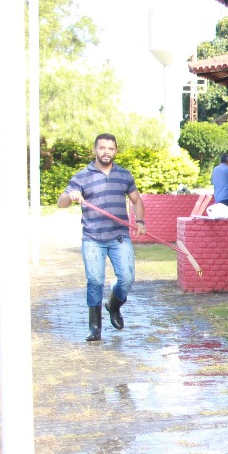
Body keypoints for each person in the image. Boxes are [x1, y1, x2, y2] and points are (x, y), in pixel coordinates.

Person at [57, 133, 146, 342]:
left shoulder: (124, 175)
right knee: (95, 281)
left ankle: (113, 306)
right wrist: (71, 196)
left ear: (116, 151)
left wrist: (140, 221)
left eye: (110, 148)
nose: (106, 151)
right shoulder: (82, 177)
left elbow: (137, 201)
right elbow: (61, 202)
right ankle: (95, 327)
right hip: (93, 239)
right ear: (95, 150)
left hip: (119, 238)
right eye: (102, 148)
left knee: (127, 278)